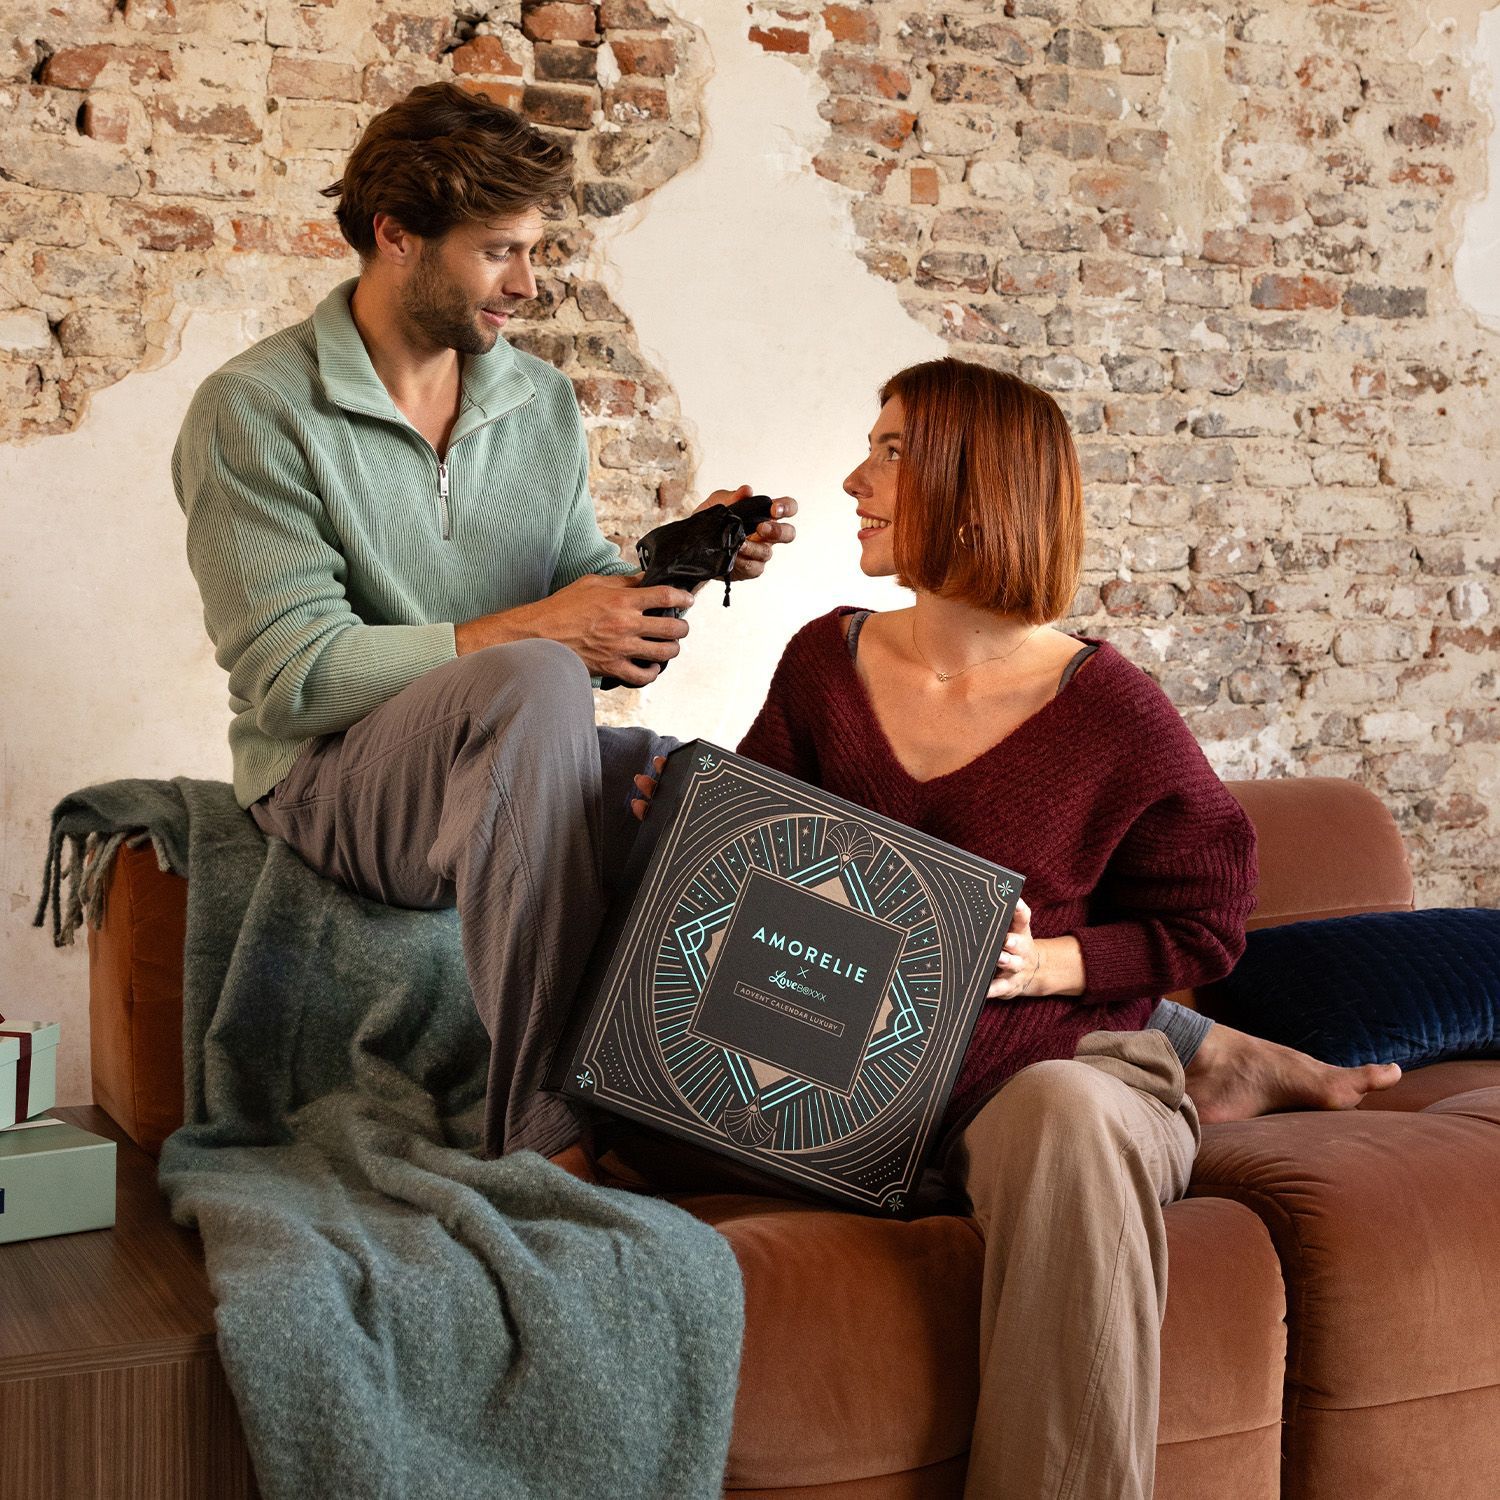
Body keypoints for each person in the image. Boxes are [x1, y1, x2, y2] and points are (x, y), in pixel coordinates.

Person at [634, 357, 1400, 1499]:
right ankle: (1217, 1062)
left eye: (890, 451)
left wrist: (1057, 960)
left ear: (975, 484)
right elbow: (757, 874)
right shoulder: (821, 664)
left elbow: (1208, 919)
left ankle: (1200, 1068)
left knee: (1067, 1112)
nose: (855, 478)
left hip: (1043, 1067)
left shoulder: (1111, 709)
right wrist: (684, 828)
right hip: (851, 1069)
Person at [171, 82, 795, 1163]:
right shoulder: (257, 410)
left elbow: (579, 596)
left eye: (532, 250)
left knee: (679, 772)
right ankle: (550, 1128)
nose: (529, 284)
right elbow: (293, 678)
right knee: (538, 681)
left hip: (495, 745)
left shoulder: (536, 403)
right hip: (327, 780)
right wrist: (543, 637)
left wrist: (677, 567)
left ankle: (753, 1115)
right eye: (498, 251)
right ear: (397, 236)